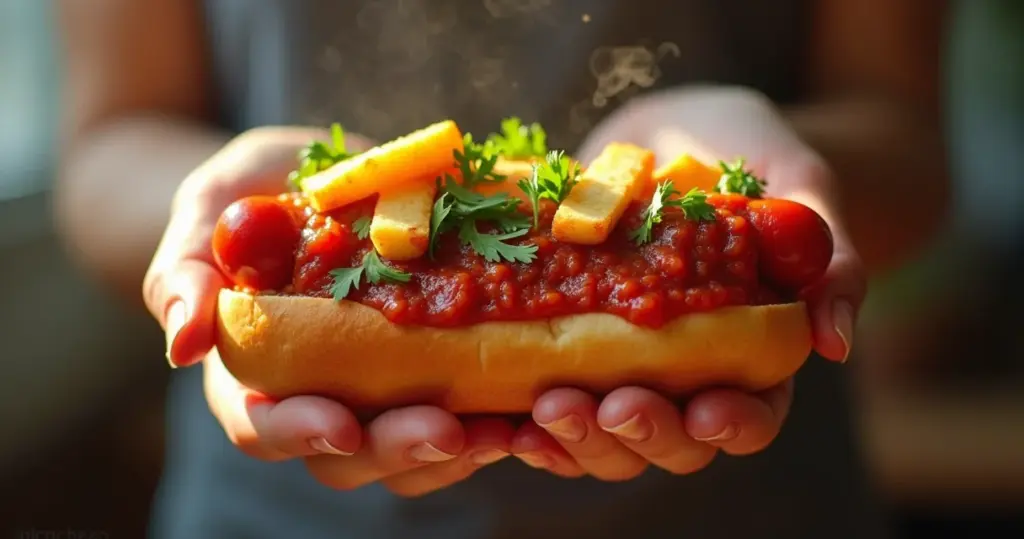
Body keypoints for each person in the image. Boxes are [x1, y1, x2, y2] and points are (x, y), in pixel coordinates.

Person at [53, 0, 948, 537]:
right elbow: (105, 144)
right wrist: (201, 221)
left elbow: (908, 138)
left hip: (757, 514)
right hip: (274, 515)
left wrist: (795, 157)